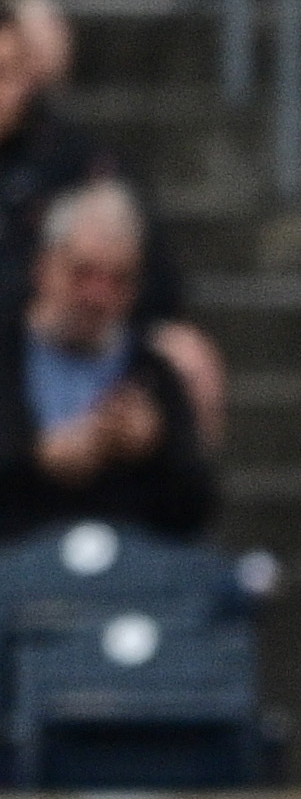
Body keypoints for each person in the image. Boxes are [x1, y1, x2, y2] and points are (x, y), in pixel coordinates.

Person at [0, 181, 211, 542]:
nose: (97, 296)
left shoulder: (154, 374)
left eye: (119, 280)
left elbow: (196, 507)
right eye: (83, 273)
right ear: (44, 266)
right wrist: (35, 457)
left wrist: (154, 447)